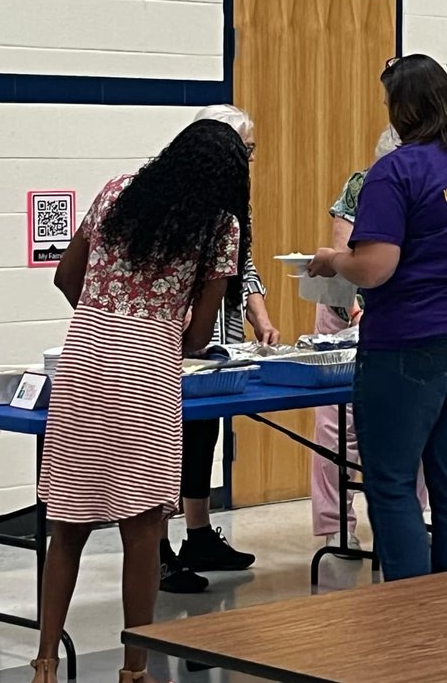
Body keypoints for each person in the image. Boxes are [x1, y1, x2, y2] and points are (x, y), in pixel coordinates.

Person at [31, 120, 250, 683]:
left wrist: (103, 316)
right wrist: (150, 328)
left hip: (81, 358)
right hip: (146, 373)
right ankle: (135, 670)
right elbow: (200, 335)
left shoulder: (115, 191)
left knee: (68, 527)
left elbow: (65, 275)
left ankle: (46, 662)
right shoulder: (219, 226)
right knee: (142, 531)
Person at [307, 54, 447, 581]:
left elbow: (375, 268)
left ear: (402, 108)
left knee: (394, 481)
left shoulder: (397, 169)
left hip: (416, 339)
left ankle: (410, 613)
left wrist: (332, 260)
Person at [158, 104, 278, 594]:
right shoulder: (172, 196)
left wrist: (260, 314)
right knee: (168, 442)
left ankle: (199, 534)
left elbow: (241, 263)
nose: (250, 158)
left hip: (216, 334)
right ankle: (158, 550)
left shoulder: (234, 199)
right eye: (245, 149)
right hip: (172, 337)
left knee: (204, 433)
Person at [310, 126, 429, 554]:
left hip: (401, 314)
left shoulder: (427, 186)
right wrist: (356, 305)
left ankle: (407, 519)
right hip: (346, 310)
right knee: (334, 424)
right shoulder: (361, 186)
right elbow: (345, 253)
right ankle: (335, 526)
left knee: (408, 419)